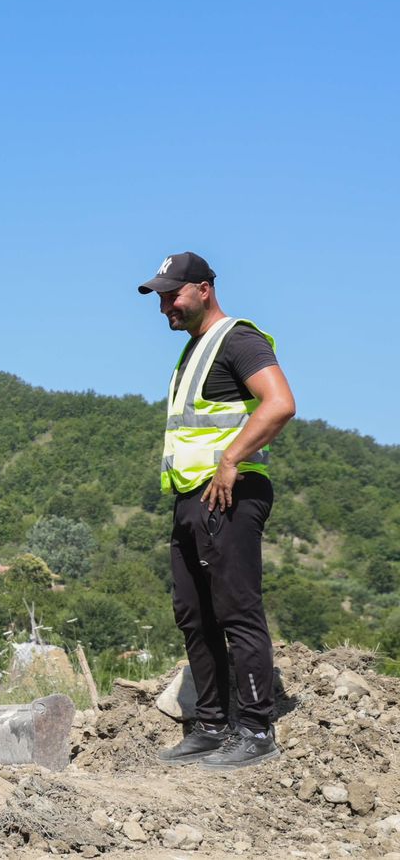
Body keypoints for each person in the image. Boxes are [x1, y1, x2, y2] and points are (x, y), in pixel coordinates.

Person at [139, 252, 296, 771]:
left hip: (229, 493)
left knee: (236, 611)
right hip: (191, 498)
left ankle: (255, 729)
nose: (165, 306)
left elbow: (279, 403)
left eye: (173, 294)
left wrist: (232, 459)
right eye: (161, 297)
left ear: (204, 289)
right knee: (193, 613)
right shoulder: (194, 350)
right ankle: (210, 726)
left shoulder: (238, 340)